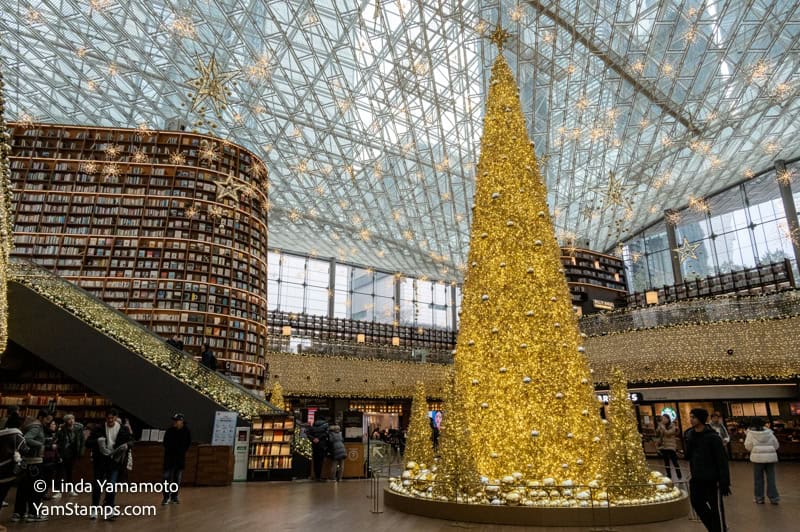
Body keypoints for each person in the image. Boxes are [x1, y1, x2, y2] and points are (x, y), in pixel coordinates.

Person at [684, 408, 730, 532]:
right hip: (696, 476)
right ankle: (714, 527)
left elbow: (721, 460)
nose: (691, 419)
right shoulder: (690, 435)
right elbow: (687, 456)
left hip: (710, 477)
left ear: (701, 419)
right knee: (696, 502)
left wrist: (724, 481)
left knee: (714, 507)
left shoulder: (712, 437)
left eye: (694, 417)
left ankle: (715, 528)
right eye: (691, 417)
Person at [86, 409, 134, 520]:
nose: (110, 420)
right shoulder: (99, 429)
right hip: (100, 461)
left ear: (116, 418)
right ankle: (94, 509)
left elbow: (132, 441)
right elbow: (88, 443)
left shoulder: (123, 429)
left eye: (112, 418)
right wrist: (97, 441)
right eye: (108, 418)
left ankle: (109, 510)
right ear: (105, 418)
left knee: (111, 486)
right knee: (97, 486)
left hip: (114, 462)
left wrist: (127, 445)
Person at [12, 409, 51, 522]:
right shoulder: (37, 427)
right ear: (42, 417)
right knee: (37, 488)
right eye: (47, 419)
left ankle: (19, 513)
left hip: (26, 461)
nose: (48, 422)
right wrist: (41, 444)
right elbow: (27, 439)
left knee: (23, 488)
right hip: (35, 461)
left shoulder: (29, 423)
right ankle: (34, 513)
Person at [743, 416, 780, 504]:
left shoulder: (750, 433)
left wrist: (755, 449)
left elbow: (748, 446)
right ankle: (774, 498)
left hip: (758, 459)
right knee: (771, 478)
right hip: (770, 459)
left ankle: (759, 498)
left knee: (758, 479)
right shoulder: (769, 432)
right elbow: (776, 445)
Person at [162, 413, 191, 505]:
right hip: (169, 458)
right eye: (174, 420)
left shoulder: (186, 431)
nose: (174, 422)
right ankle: (166, 497)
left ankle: (174, 497)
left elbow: (187, 444)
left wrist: (181, 451)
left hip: (179, 459)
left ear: (181, 421)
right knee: (166, 478)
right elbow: (165, 443)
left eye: (176, 420)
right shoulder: (169, 431)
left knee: (176, 479)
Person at [56, 414, 85, 496]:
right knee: (61, 473)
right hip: (63, 453)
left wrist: (81, 452)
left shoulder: (79, 429)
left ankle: (70, 490)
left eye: (73, 418)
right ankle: (59, 491)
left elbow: (82, 441)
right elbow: (57, 439)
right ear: (65, 421)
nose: (71, 420)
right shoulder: (61, 429)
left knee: (70, 472)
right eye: (69, 419)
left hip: (73, 453)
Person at [655, 414, 682, 480]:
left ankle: (679, 475)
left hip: (671, 447)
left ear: (668, 419)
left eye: (664, 418)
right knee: (666, 462)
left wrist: (662, 427)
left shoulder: (672, 426)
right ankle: (669, 475)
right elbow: (657, 434)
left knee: (674, 462)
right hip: (664, 446)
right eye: (662, 418)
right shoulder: (662, 425)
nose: (663, 420)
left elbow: (668, 433)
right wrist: (659, 427)